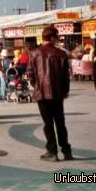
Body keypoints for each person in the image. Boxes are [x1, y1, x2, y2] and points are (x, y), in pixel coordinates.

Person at [27, 26, 73, 162]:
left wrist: (37, 86)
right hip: (58, 93)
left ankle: (52, 151)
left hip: (42, 93)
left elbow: (30, 73)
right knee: (60, 123)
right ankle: (66, 150)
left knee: (48, 123)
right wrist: (65, 90)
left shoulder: (35, 53)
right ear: (53, 38)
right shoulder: (61, 54)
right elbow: (66, 75)